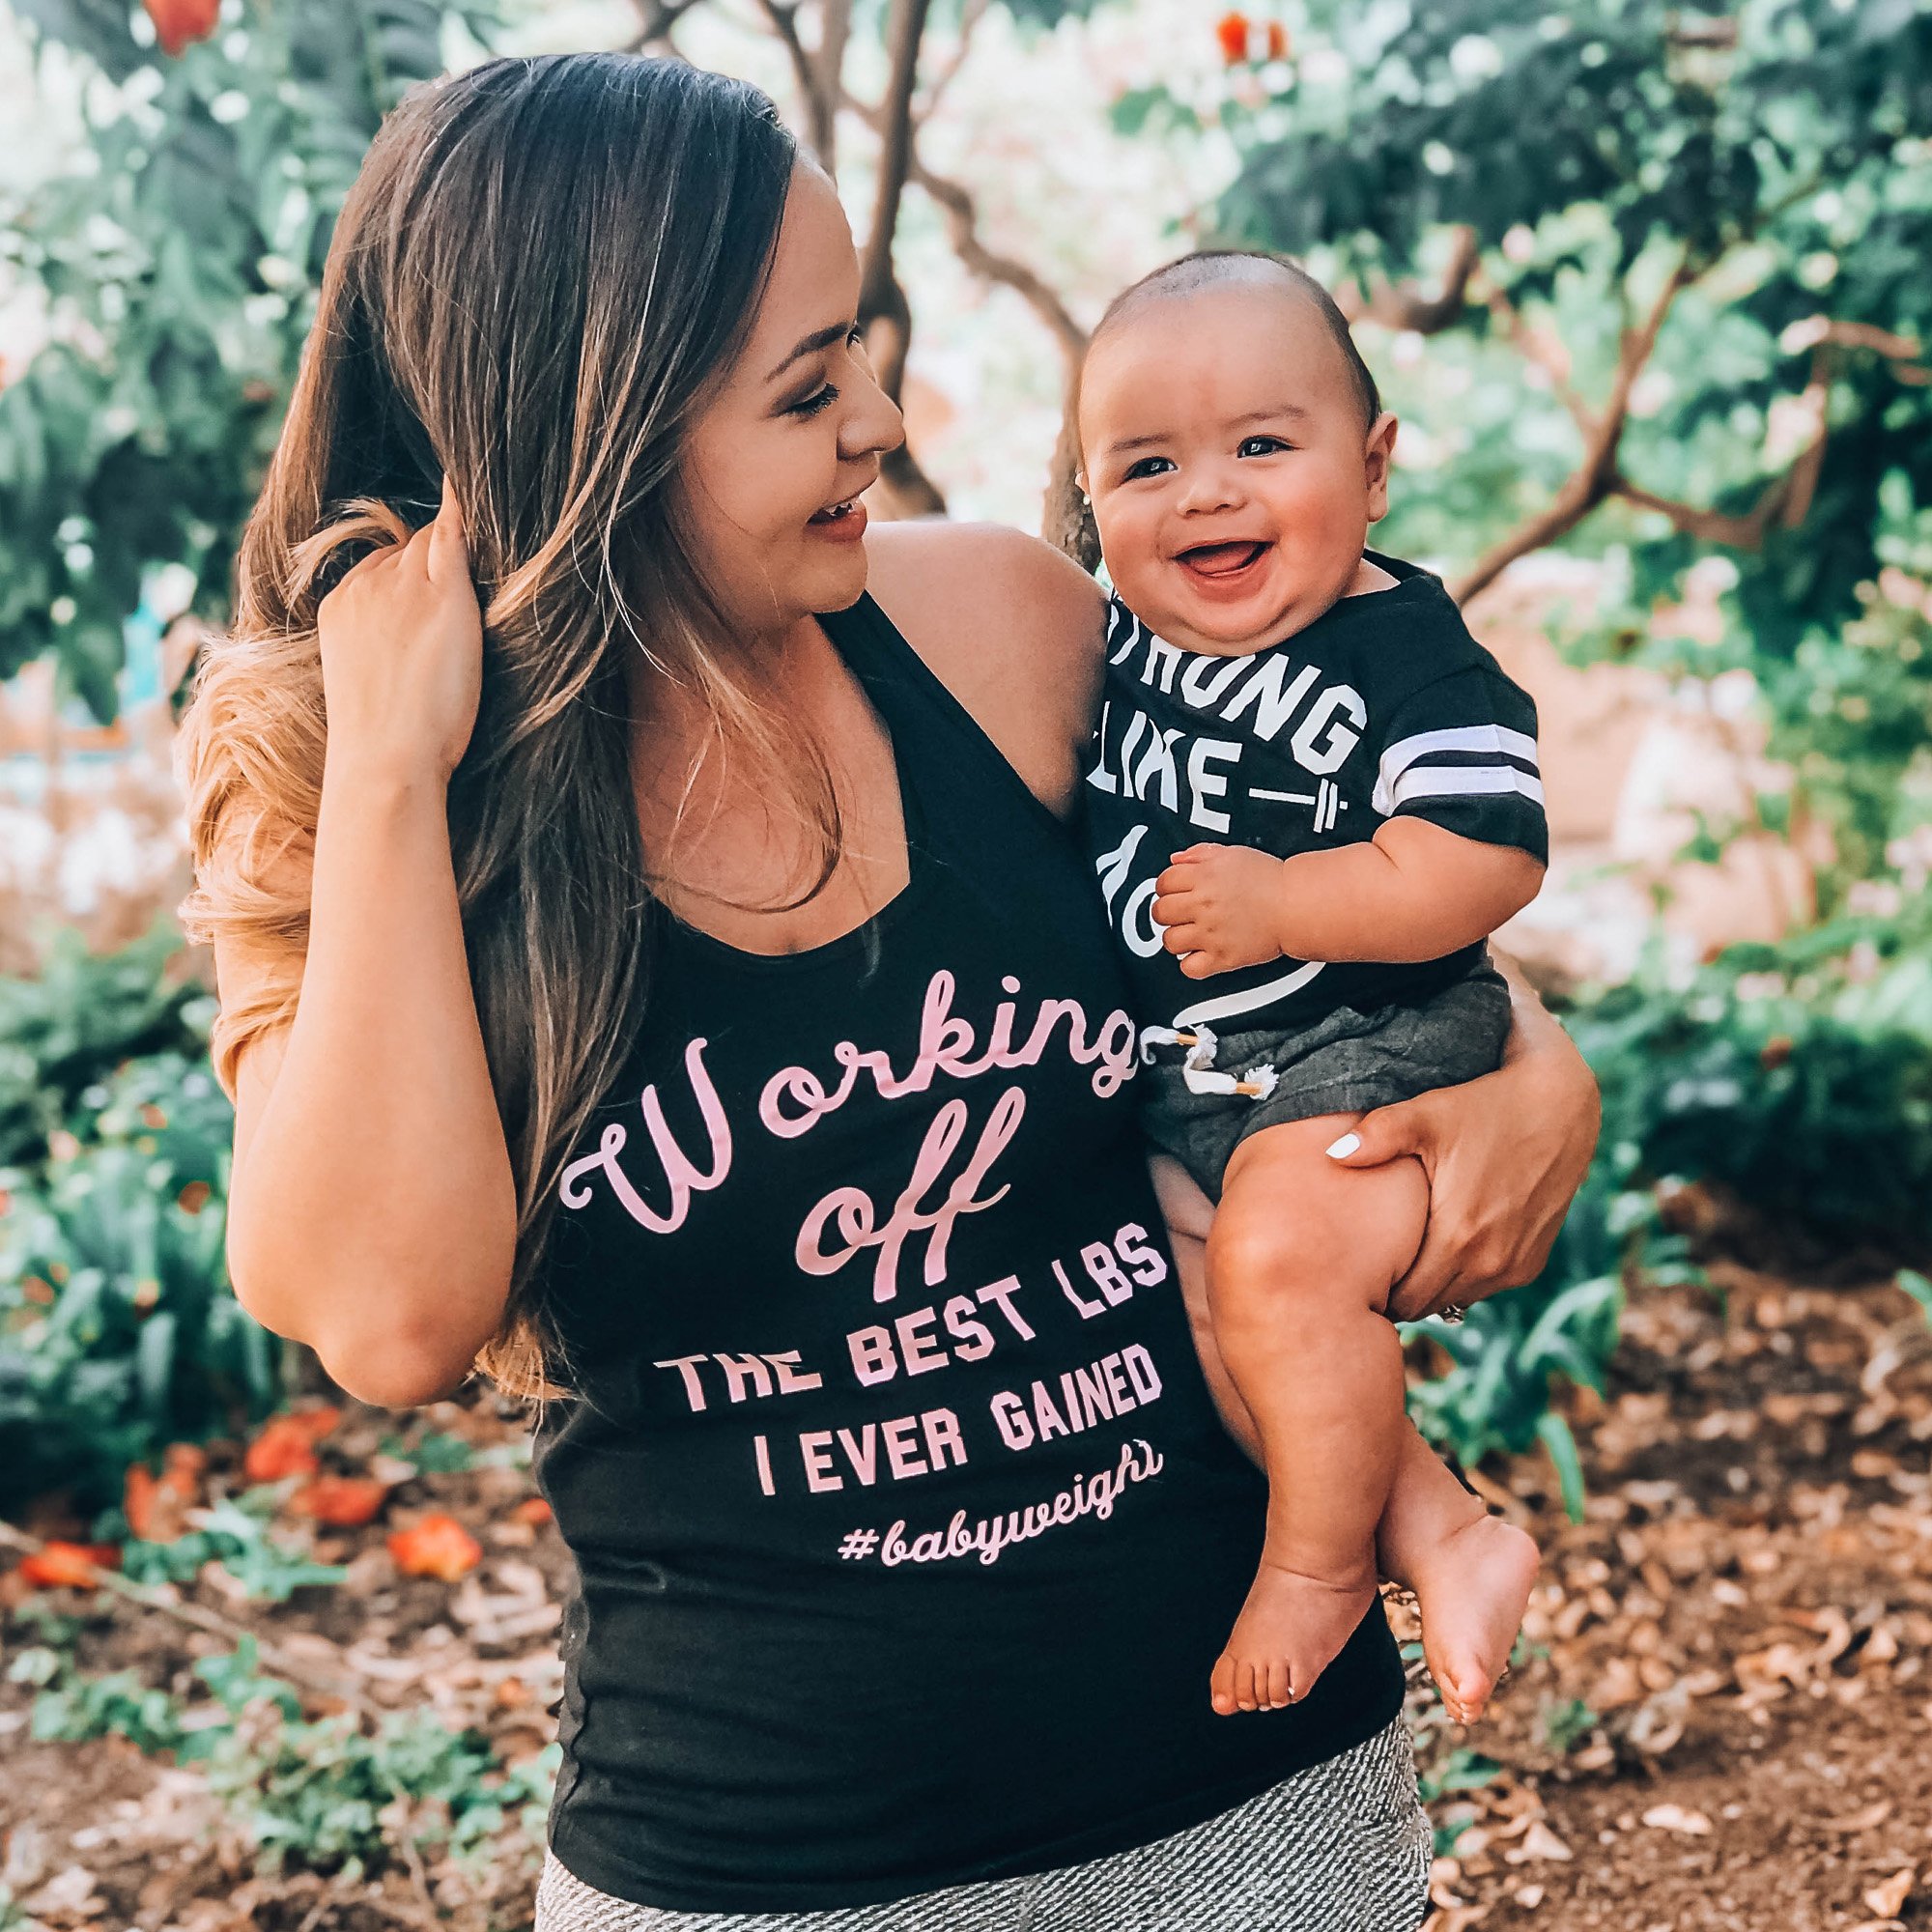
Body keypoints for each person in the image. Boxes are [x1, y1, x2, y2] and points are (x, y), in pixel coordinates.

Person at [176, 53, 1600, 1932]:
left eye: (864, 347)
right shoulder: (348, 787)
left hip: (1250, 1794)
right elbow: (381, 1313)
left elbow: (1335, 878)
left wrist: (1536, 1072)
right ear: (590, 427)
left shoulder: (997, 626)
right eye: (802, 389)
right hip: (769, 1867)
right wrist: (387, 771)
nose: (879, 421)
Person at [1067, 252, 1546, 1728]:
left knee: (1277, 1263)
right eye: (1150, 465)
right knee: (1203, 1305)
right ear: (1091, 503)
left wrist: (1285, 901)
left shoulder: (1405, 656)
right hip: (1209, 1070)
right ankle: (1440, 1528)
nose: (1208, 493)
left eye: (1263, 447)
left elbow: (1485, 860)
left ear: (1376, 464)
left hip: (1374, 1035)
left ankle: (1320, 1568)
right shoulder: (1111, 637)